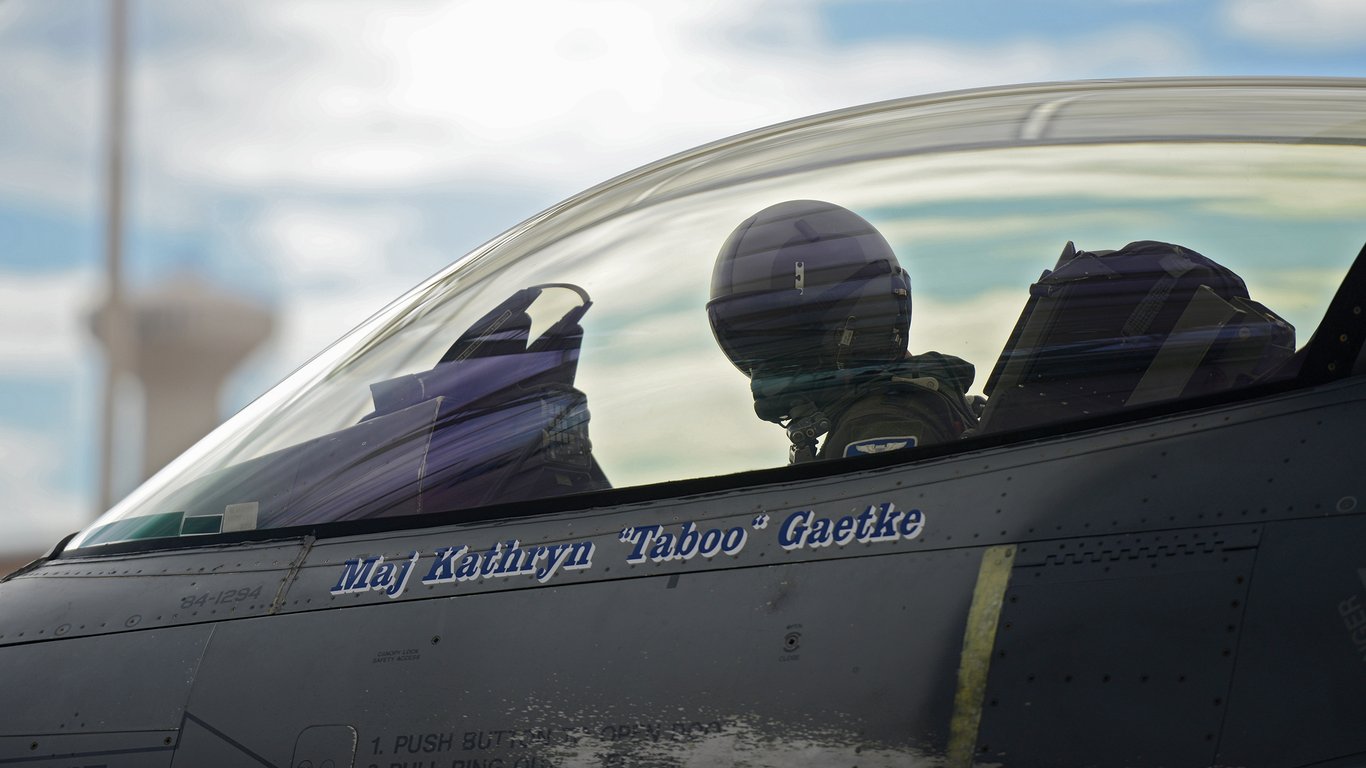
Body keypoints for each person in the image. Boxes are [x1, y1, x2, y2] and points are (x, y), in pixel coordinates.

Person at [706, 200, 978, 463]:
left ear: (853, 326)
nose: (765, 362)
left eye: (783, 335)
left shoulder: (877, 427)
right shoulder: (907, 406)